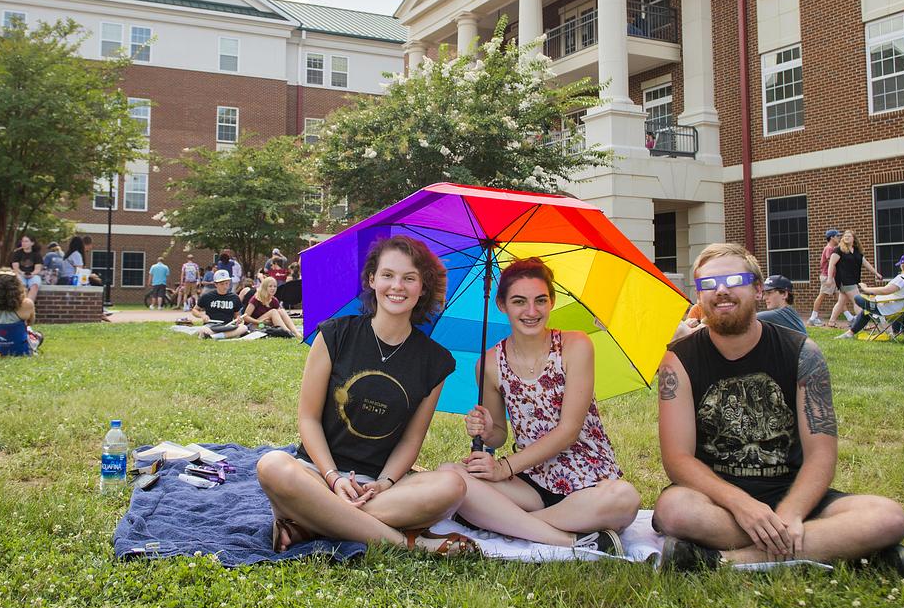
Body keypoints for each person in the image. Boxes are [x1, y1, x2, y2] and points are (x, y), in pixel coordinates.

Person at [654, 243, 904, 576]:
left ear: (758, 289)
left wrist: (789, 514)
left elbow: (821, 455)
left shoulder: (803, 353)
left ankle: (728, 562)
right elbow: (678, 460)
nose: (721, 291)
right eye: (707, 284)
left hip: (795, 494)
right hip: (718, 501)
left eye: (734, 279)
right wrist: (742, 504)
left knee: (888, 517)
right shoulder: (678, 361)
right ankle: (832, 551)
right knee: (674, 510)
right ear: (699, 298)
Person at [255, 235, 473, 555]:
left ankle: (311, 522)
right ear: (372, 280)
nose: (397, 286)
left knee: (452, 486)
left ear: (423, 287)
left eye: (409, 278)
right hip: (316, 474)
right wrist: (332, 478)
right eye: (387, 275)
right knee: (272, 465)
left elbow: (411, 441)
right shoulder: (334, 334)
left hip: (379, 488)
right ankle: (410, 545)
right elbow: (309, 418)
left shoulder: (435, 361)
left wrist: (383, 483)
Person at [441, 258, 639, 554]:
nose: (531, 312)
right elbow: (498, 435)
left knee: (625, 499)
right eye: (519, 301)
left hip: (588, 479)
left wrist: (503, 467)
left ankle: (507, 523)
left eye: (540, 300)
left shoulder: (576, 345)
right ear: (502, 305)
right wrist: (483, 427)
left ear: (552, 302)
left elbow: (569, 431)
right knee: (450, 475)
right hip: (532, 481)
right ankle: (567, 538)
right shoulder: (490, 363)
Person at [835, 254, 904, 340]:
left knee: (858, 298)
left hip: (895, 311)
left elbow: (885, 290)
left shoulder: (903, 277)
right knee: (866, 311)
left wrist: (866, 289)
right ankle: (850, 333)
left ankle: (851, 332)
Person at [826, 230, 882, 329]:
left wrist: (876, 273)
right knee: (857, 300)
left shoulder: (856, 251)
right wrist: (830, 278)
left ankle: (831, 322)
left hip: (853, 279)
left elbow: (865, 263)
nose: (846, 237)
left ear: (854, 239)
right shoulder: (838, 250)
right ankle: (863, 324)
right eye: (845, 236)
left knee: (841, 302)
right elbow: (831, 264)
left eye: (849, 236)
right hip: (844, 280)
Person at [0, 267, 42, 356]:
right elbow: (30, 323)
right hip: (21, 350)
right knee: (38, 335)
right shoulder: (26, 303)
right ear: (17, 285)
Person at [191, 269, 249, 339]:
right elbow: (194, 310)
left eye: (227, 283)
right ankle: (227, 335)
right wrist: (202, 315)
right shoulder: (207, 296)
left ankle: (215, 336)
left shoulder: (234, 297)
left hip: (228, 325)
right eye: (222, 284)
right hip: (211, 326)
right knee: (203, 330)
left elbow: (236, 315)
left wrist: (238, 319)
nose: (225, 286)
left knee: (244, 327)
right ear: (215, 284)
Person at [808, 229, 841, 326]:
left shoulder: (833, 248)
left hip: (832, 277)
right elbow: (832, 261)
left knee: (840, 297)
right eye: (837, 236)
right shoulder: (829, 249)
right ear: (832, 237)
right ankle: (813, 318)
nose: (839, 238)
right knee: (822, 295)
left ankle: (850, 318)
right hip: (827, 276)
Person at [10, 235, 44, 303]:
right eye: (22, 241)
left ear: (32, 243)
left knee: (35, 286)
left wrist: (32, 274)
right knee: (21, 286)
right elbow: (15, 268)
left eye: (26, 241)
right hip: (20, 274)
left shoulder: (37, 254)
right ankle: (22, 306)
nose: (23, 243)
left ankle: (28, 306)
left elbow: (38, 269)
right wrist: (22, 273)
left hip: (33, 275)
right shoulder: (17, 253)